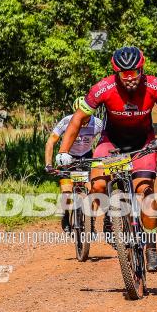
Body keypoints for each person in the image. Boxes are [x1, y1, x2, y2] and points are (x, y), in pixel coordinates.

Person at [55, 46, 157, 273]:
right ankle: (111, 217)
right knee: (98, 185)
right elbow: (77, 119)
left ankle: (150, 247)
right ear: (116, 72)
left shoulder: (154, 85)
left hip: (143, 143)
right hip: (111, 142)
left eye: (134, 72)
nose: (130, 78)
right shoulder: (102, 88)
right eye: (124, 73)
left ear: (142, 69)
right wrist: (63, 151)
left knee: (144, 191)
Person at [44, 97, 105, 232]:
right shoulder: (67, 121)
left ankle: (91, 223)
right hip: (68, 157)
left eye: (86, 118)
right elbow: (50, 141)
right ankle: (66, 216)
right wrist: (48, 164)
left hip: (87, 156)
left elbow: (107, 140)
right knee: (66, 191)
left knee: (93, 191)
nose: (83, 121)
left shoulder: (98, 123)